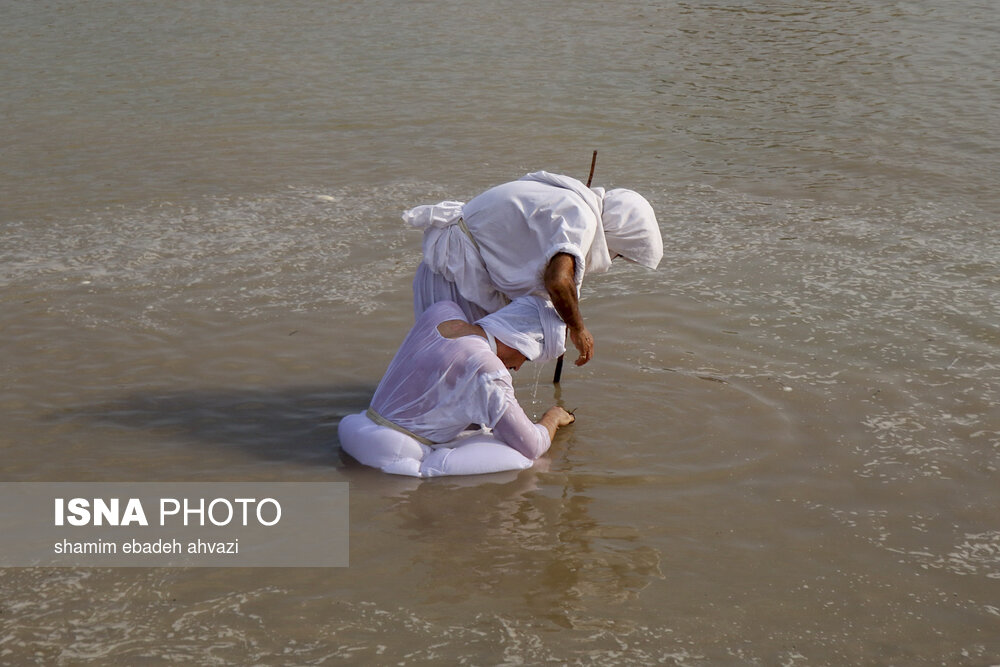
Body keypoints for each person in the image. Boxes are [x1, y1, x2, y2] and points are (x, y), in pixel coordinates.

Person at [403, 171, 663, 367]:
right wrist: (577, 328)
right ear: (615, 234)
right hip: (458, 275)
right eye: (618, 255)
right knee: (459, 370)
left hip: (445, 267)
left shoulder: (566, 196)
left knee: (440, 366)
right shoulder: (581, 217)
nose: (612, 259)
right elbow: (558, 282)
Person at [338, 296, 576, 478]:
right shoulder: (488, 369)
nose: (518, 367)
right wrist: (552, 417)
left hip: (356, 426)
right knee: (532, 463)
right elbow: (532, 446)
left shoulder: (441, 311)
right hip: (394, 455)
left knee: (481, 429)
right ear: (522, 344)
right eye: (527, 359)